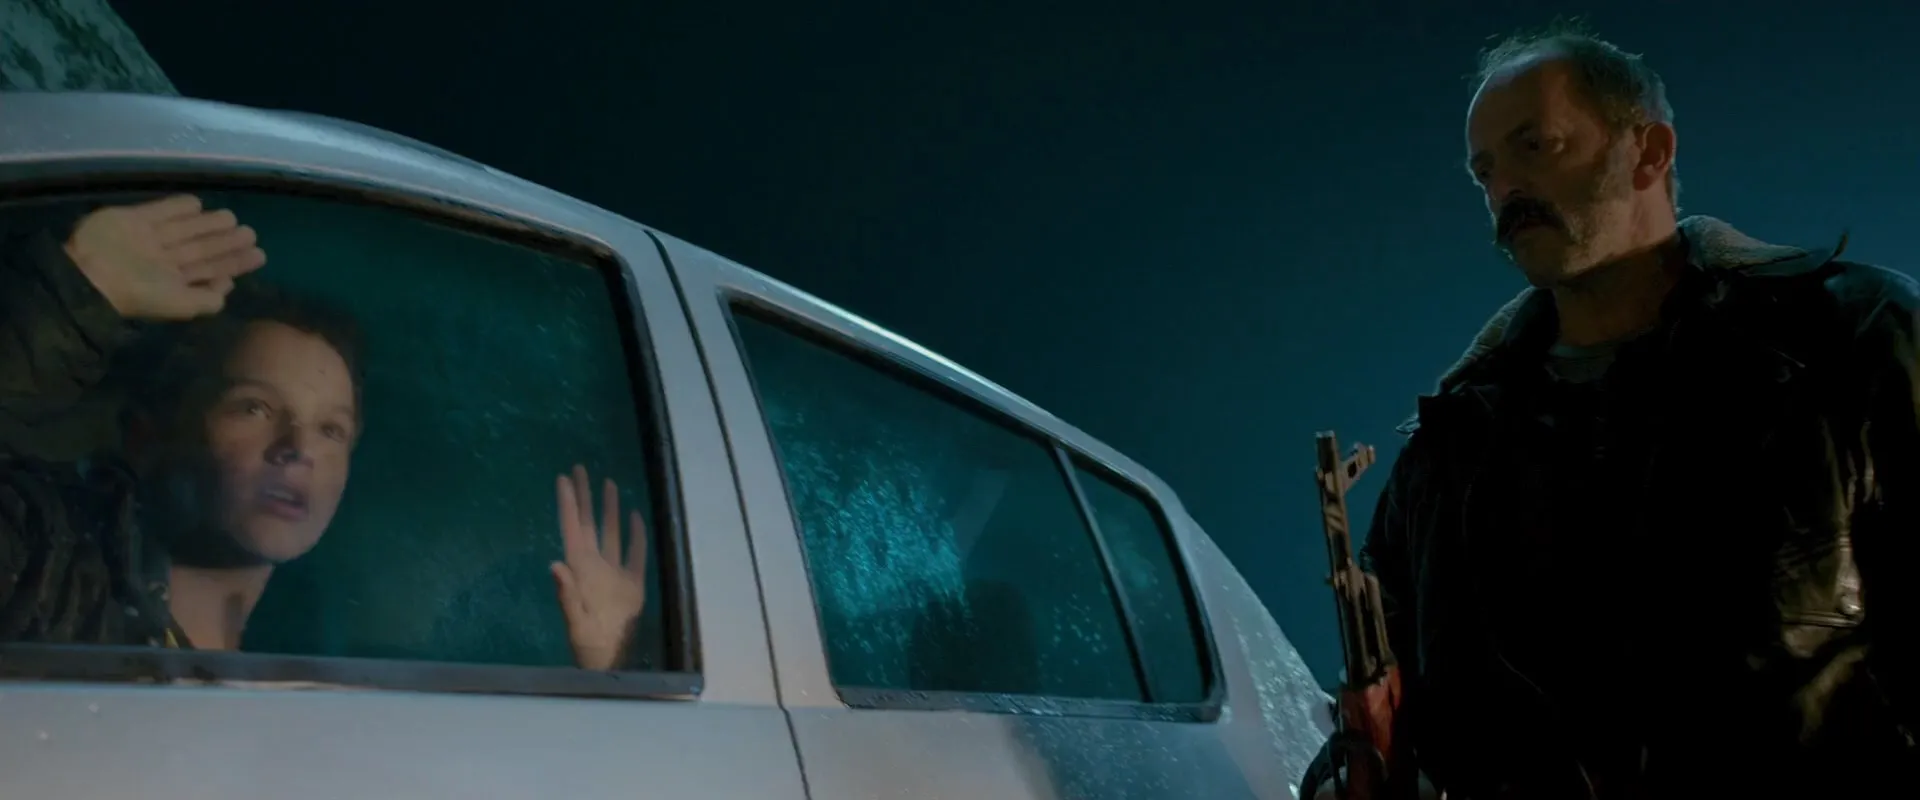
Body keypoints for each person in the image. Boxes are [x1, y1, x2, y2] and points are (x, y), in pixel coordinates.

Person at [1313, 22, 1920, 800]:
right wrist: (1351, 772)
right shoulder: (1450, 449)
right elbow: (1395, 727)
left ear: (1650, 151)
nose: (1505, 190)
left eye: (1537, 146)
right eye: (1485, 172)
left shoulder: (1852, 339)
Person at [0, 194, 647, 670]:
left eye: (331, 429)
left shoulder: (324, 674)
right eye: (254, 407)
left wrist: (608, 664)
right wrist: (68, 302)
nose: (298, 449)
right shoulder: (44, 568)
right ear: (147, 438)